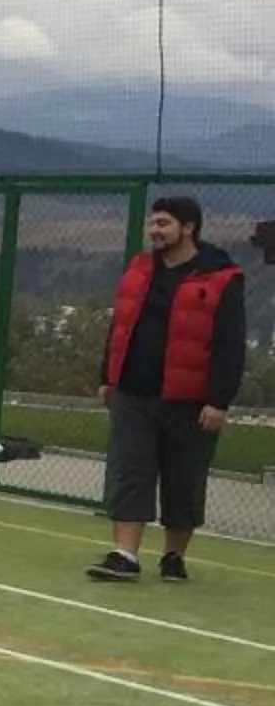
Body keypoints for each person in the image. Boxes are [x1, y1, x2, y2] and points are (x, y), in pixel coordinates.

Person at [89, 194, 246, 583]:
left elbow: (230, 344)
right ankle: (125, 555)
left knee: (184, 479)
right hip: (133, 392)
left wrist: (219, 400)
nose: (155, 231)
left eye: (164, 224)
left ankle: (173, 557)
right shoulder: (139, 270)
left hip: (189, 401)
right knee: (129, 472)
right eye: (153, 223)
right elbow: (119, 326)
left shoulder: (221, 278)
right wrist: (107, 378)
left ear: (189, 228)